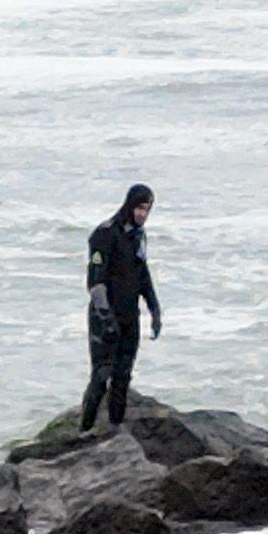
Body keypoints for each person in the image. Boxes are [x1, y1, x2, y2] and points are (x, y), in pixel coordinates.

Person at [78, 183, 161, 433]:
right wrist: (106, 317)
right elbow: (95, 282)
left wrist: (154, 309)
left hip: (130, 316)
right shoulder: (105, 234)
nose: (143, 214)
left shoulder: (137, 237)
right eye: (140, 208)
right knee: (101, 376)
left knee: (123, 376)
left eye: (147, 210)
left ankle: (116, 429)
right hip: (104, 317)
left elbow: (142, 275)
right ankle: (84, 430)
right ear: (129, 206)